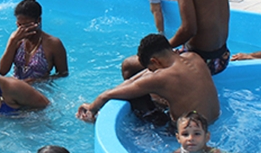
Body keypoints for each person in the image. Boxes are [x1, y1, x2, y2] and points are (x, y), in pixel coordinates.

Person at [76, 33, 220, 126]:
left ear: (155, 61)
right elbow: (139, 78)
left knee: (135, 99)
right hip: (212, 122)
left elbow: (106, 95)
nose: (151, 73)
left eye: (152, 69)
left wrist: (91, 108)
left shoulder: (162, 77)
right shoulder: (193, 57)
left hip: (185, 132)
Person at [0, 0, 67, 81]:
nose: (23, 29)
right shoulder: (16, 38)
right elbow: (2, 71)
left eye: (27, 25)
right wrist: (12, 41)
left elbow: (63, 74)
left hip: (41, 89)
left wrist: (39, 81)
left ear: (38, 20)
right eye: (19, 25)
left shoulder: (53, 44)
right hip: (17, 88)